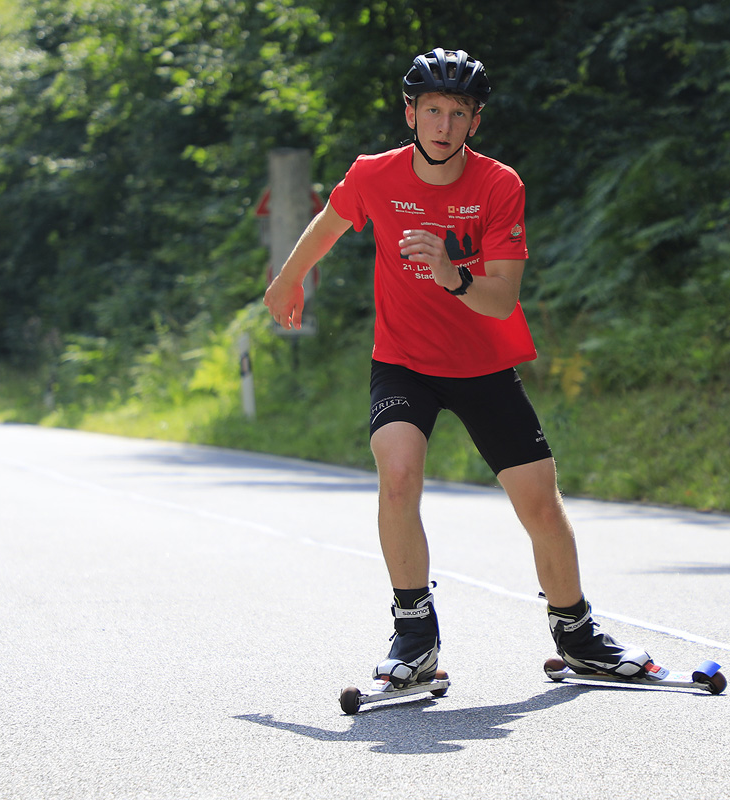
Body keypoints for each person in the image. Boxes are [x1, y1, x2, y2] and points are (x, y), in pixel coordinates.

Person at [263, 47, 651, 688]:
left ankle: (577, 633)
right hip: (404, 363)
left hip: (482, 364)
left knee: (540, 506)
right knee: (397, 476)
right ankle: (415, 633)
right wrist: (288, 281)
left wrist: (451, 273)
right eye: (433, 110)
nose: (443, 126)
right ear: (410, 113)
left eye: (459, 113)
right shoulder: (372, 175)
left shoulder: (500, 186)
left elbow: (501, 300)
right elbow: (328, 224)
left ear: (476, 123)